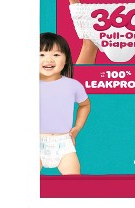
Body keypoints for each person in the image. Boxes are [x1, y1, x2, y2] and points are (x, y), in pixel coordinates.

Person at [39, 32, 91, 175]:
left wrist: (77, 127)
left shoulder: (73, 85)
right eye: (41, 54)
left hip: (64, 143)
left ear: (66, 59)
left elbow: (85, 105)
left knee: (74, 184)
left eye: (56, 54)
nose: (48, 59)